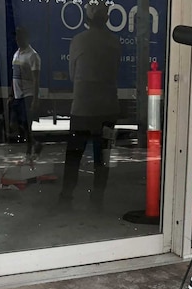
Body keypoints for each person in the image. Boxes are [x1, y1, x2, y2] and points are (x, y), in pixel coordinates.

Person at [60, 4, 121, 206]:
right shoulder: (114, 43)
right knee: (102, 157)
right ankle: (97, 199)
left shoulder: (78, 41)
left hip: (82, 109)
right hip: (107, 108)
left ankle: (66, 197)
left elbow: (71, 74)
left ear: (88, 19)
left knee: (74, 155)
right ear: (107, 19)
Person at [9, 27, 41, 162]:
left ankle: (29, 152)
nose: (17, 39)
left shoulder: (32, 56)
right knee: (15, 123)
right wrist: (11, 94)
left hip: (27, 94)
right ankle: (35, 144)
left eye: (20, 37)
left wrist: (35, 98)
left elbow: (36, 79)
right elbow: (14, 76)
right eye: (16, 37)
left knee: (26, 124)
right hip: (17, 95)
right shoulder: (16, 54)